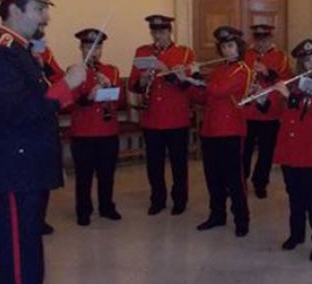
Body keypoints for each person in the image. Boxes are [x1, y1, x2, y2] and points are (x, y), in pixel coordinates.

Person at [0, 0, 86, 284]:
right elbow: (18, 112)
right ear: (14, 10)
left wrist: (64, 86)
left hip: (24, 168)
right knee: (19, 254)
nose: (45, 17)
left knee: (26, 250)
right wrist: (65, 86)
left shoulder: (22, 51)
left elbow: (38, 104)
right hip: (10, 172)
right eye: (39, 9)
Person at [272, 39, 312, 261]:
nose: (310, 64)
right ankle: (296, 234)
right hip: (289, 147)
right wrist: (267, 97)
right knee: (293, 194)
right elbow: (282, 112)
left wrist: (289, 96)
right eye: (305, 61)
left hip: (308, 148)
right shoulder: (294, 82)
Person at [128, 15, 195, 216]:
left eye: (162, 32)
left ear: (169, 32)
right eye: (154, 32)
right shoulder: (143, 52)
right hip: (152, 118)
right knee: (154, 163)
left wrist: (165, 70)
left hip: (176, 117)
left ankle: (180, 199)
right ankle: (157, 199)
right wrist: (142, 79)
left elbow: (187, 86)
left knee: (178, 162)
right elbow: (134, 86)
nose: (158, 36)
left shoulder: (184, 53)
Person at [193, 26, 253, 237]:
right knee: (213, 177)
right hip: (210, 129)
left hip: (231, 130)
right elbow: (203, 98)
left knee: (234, 179)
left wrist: (199, 77)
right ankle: (217, 215)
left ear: (238, 47)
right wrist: (189, 82)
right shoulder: (218, 70)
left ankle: (241, 218)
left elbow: (219, 90)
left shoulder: (242, 70)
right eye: (224, 47)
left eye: (230, 45)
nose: (227, 50)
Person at [69, 28, 122, 226]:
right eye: (88, 46)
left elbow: (118, 101)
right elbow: (70, 101)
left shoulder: (112, 70)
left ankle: (107, 206)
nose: (93, 50)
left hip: (107, 131)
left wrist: (108, 87)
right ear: (81, 48)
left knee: (107, 174)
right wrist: (89, 96)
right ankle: (83, 211)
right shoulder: (74, 71)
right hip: (83, 132)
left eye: (97, 46)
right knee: (84, 175)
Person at [242, 24, 291, 199]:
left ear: (271, 39)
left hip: (270, 111)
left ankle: (260, 182)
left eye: (264, 39)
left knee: (266, 151)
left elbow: (286, 81)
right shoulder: (246, 55)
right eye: (258, 39)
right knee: (244, 150)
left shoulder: (281, 57)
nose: (261, 43)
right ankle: (242, 181)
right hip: (248, 111)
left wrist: (267, 72)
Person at [30, 38, 64, 236]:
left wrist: (44, 70)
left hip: (44, 121)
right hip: (23, 123)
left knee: (43, 174)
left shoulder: (45, 53)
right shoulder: (10, 54)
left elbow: (59, 79)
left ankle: (40, 217)